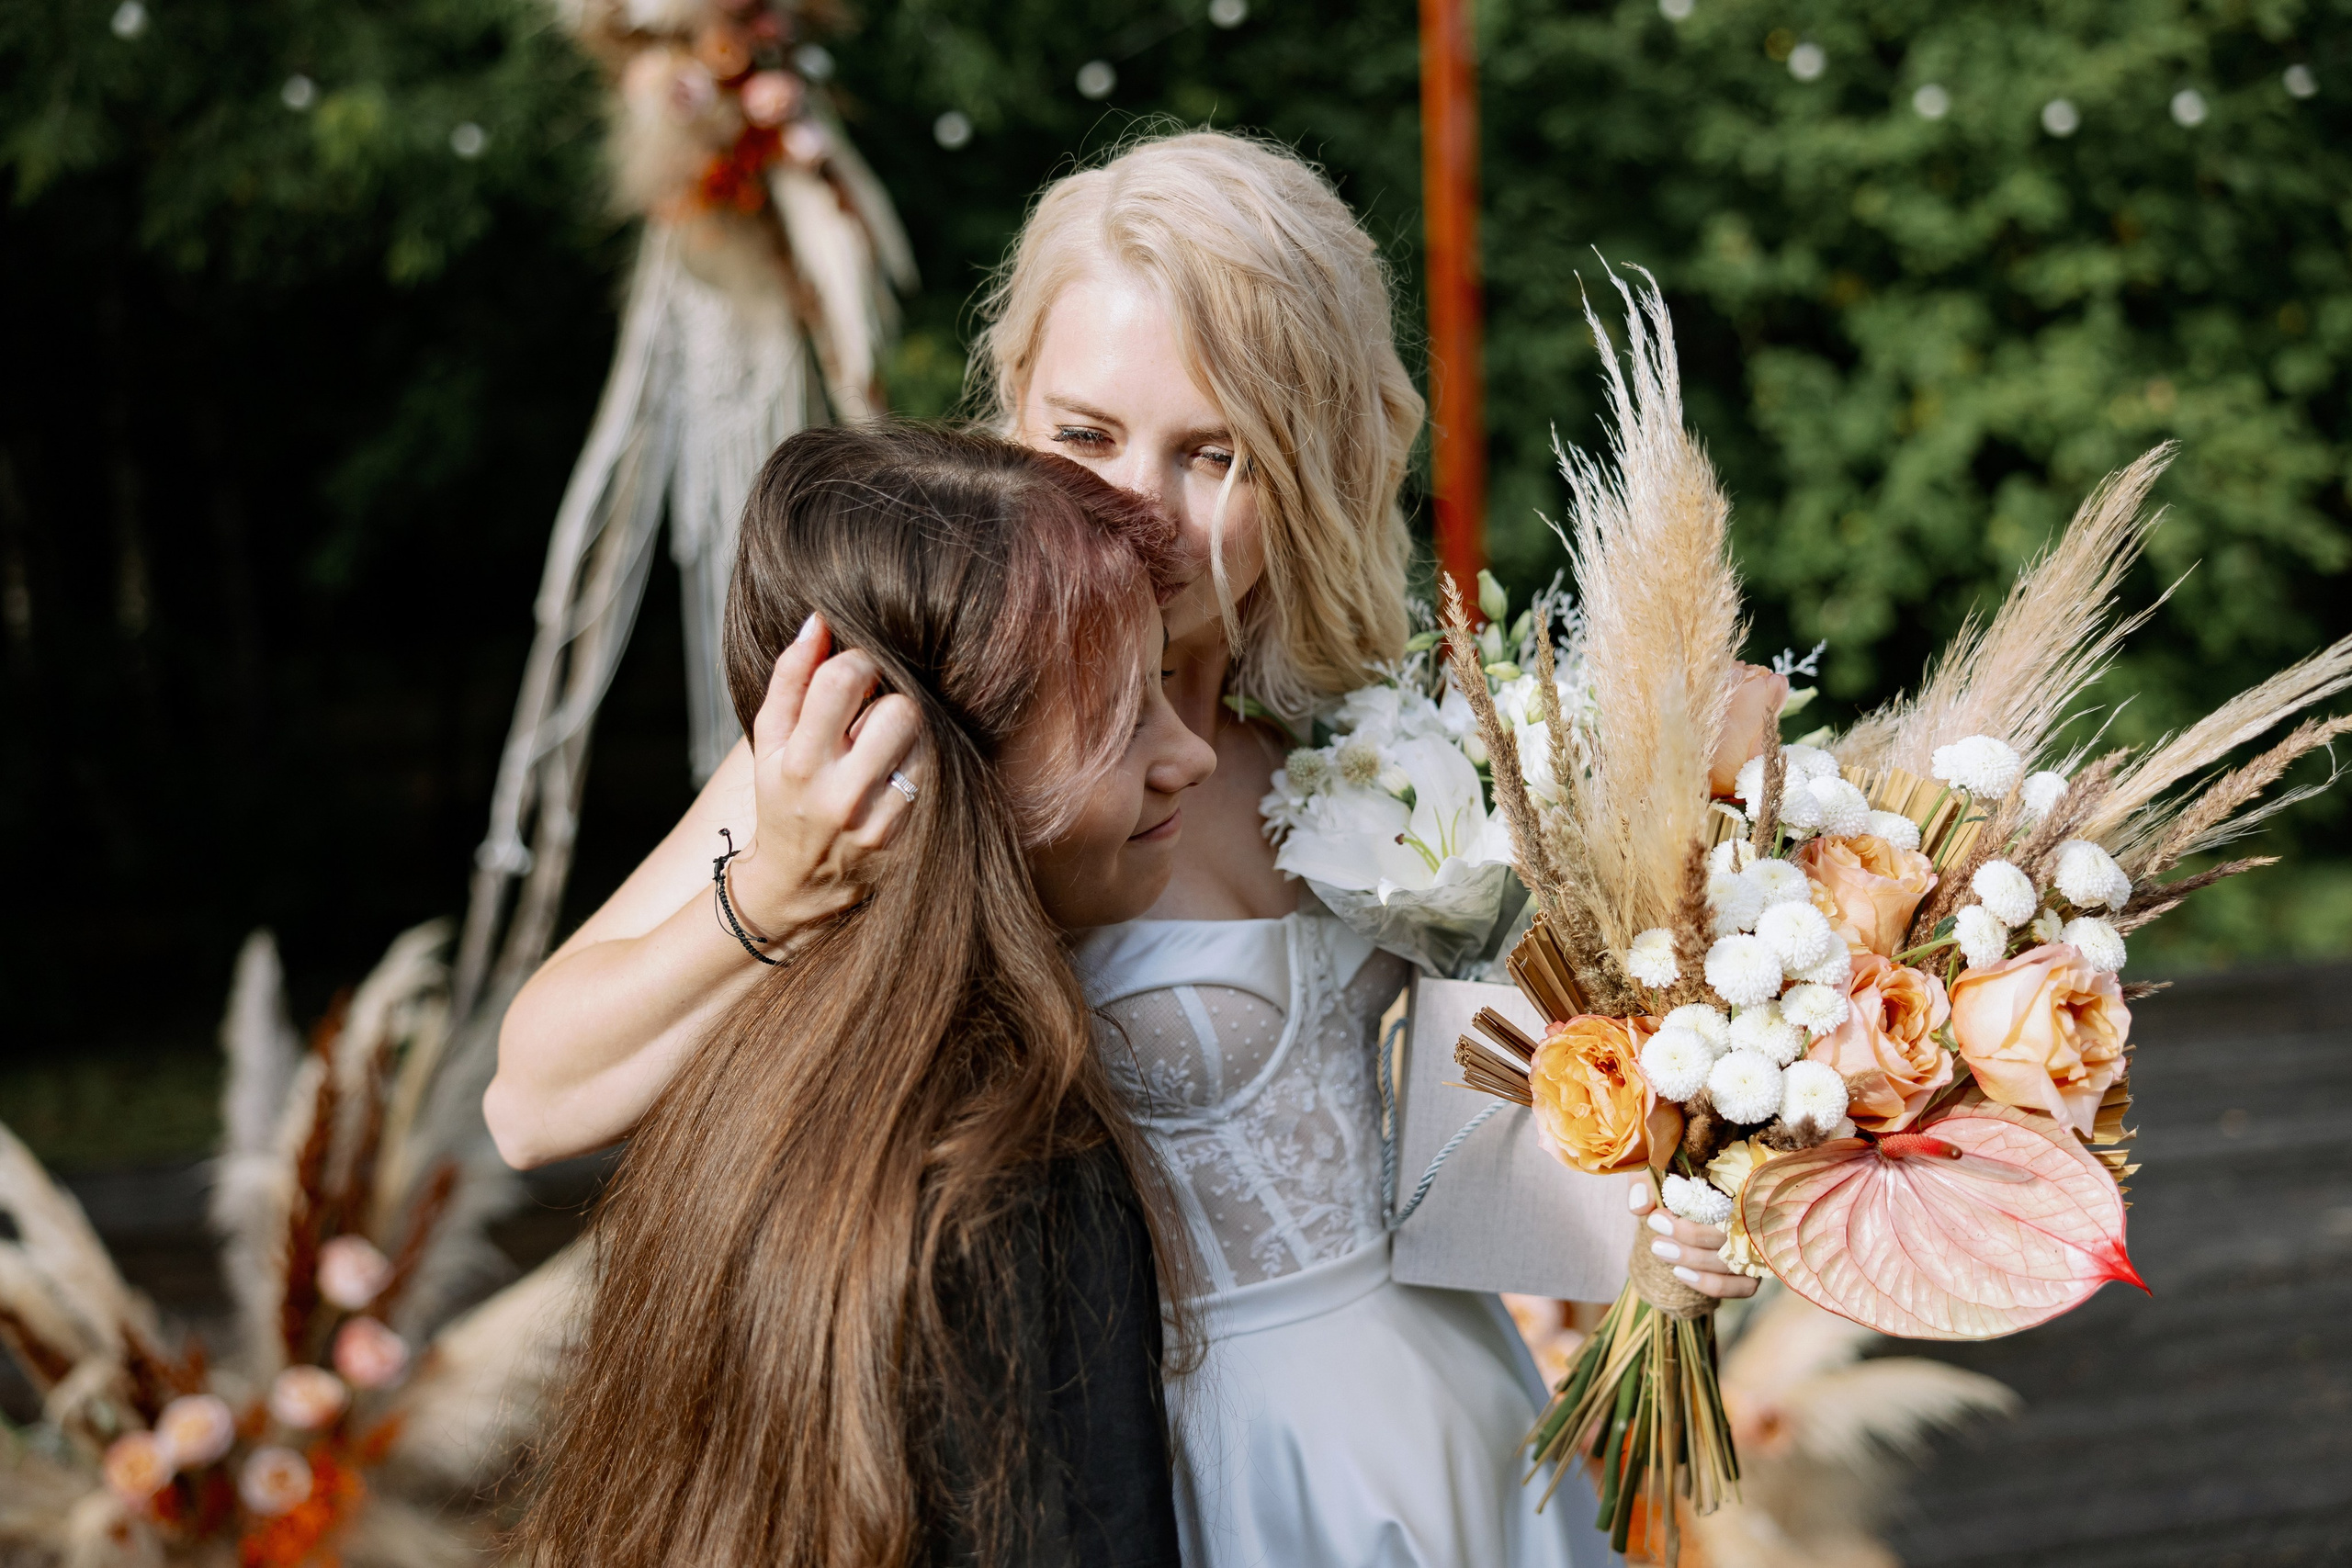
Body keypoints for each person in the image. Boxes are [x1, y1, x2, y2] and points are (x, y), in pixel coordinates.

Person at [489, 129, 1751, 1564]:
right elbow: (532, 1098)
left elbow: (1465, 1190)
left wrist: (1651, 1232)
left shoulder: (1383, 733)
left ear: (1316, 459)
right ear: (1009, 405)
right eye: (1081, 436)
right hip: (1118, 1476)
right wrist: (770, 889)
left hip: (1428, 1426)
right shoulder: (920, 725)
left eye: (1212, 454)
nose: (1135, 511)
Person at [511, 424, 1216, 1568]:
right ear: (909, 755)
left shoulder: (759, 1065)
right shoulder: (1008, 1155)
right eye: (1124, 713)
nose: (1191, 756)